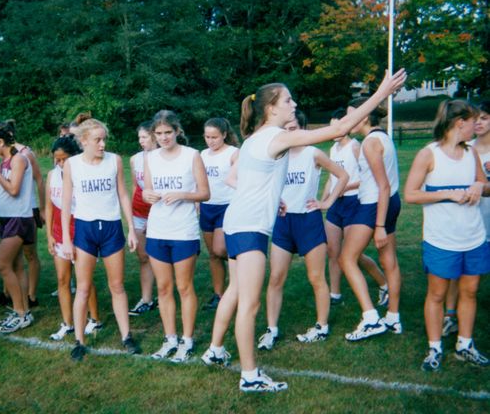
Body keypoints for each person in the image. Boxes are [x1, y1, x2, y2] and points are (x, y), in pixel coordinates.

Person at [200, 69, 406, 393]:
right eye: (288, 100)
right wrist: (381, 93)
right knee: (250, 303)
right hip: (250, 228)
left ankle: (215, 350)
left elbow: (250, 180)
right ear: (271, 108)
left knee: (237, 292)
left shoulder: (255, 138)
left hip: (239, 222)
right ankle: (250, 376)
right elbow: (341, 127)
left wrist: (274, 198)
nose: (293, 104)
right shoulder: (276, 137)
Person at [404, 99, 490, 371]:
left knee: (470, 291)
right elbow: (410, 194)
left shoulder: (471, 153)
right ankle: (434, 348)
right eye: (473, 121)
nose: (476, 127)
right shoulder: (428, 154)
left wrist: (479, 186)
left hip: (473, 236)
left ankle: (465, 344)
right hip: (441, 239)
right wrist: (447, 194)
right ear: (459, 122)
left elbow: (485, 186)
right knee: (437, 294)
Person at [258, 110, 347, 349]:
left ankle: (321, 326)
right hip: (283, 223)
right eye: (285, 129)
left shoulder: (313, 153)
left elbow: (343, 175)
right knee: (276, 277)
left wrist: (326, 202)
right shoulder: (275, 156)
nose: (289, 133)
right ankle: (271, 329)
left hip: (308, 221)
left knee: (316, 277)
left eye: (293, 129)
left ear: (302, 130)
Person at [61, 117, 141, 360]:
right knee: (83, 287)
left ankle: (126, 336)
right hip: (85, 230)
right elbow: (65, 203)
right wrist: (66, 237)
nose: (102, 144)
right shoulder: (72, 165)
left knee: (117, 285)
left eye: (104, 139)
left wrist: (131, 228)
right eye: (97, 140)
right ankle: (79, 341)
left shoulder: (114, 161)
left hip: (111, 228)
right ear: (84, 141)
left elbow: (123, 195)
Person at [142, 110, 210, 362]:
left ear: (177, 131)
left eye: (168, 132)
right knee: (163, 286)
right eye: (158, 134)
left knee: (184, 286)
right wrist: (148, 194)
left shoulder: (192, 156)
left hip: (183, 230)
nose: (163, 137)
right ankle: (170, 338)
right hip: (157, 228)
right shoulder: (151, 158)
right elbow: (147, 189)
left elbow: (205, 193)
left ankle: (187, 340)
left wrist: (182, 194)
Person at [338, 96, 403, 341]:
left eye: (350, 114)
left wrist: (378, 227)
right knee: (389, 262)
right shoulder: (382, 137)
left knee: (346, 258)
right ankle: (393, 317)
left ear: (364, 116)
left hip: (376, 205)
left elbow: (382, 186)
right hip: (389, 203)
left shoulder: (369, 143)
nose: (347, 120)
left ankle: (371, 318)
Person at [322, 108, 389, 306]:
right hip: (336, 204)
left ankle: (384, 284)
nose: (334, 130)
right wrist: (324, 200)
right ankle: (335, 294)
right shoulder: (333, 150)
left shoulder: (355, 146)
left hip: (353, 202)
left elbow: (365, 179)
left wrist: (344, 187)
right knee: (333, 251)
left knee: (354, 255)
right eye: (331, 126)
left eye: (338, 126)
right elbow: (331, 179)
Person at [45, 135, 103, 340]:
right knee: (62, 279)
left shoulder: (82, 173)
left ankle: (95, 319)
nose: (60, 163)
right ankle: (67, 323)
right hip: (60, 232)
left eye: (64, 159)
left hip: (80, 230)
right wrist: (49, 236)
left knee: (83, 280)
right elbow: (49, 206)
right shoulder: (52, 175)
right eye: (57, 159)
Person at [0, 125, 35, 333]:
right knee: (16, 267)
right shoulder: (6, 161)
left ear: (1, 143)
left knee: (3, 266)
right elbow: (8, 187)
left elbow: (13, 190)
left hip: (19, 218)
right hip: (7, 217)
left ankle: (20, 313)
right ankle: (23, 311)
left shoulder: (19, 159)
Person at [0, 119, 44, 308]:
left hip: (27, 210)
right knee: (14, 259)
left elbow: (39, 180)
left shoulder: (25, 154)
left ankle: (31, 296)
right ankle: (9, 294)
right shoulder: (5, 156)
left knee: (29, 254)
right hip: (11, 211)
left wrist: (43, 208)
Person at [199, 118, 239, 311]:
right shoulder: (202, 155)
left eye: (214, 137)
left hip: (227, 206)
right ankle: (219, 295)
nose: (211, 141)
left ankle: (238, 280)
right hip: (207, 207)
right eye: (207, 137)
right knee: (213, 255)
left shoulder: (233, 153)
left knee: (221, 249)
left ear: (224, 134)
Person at [128, 121, 159, 316]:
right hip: (139, 211)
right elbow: (135, 186)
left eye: (145, 137)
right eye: (139, 137)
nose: (141, 141)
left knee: (162, 256)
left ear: (154, 137)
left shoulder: (164, 158)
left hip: (160, 211)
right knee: (143, 256)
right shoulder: (134, 159)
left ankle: (166, 294)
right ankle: (147, 299)